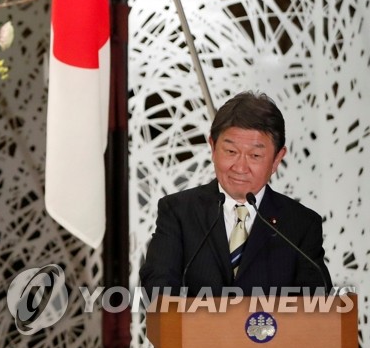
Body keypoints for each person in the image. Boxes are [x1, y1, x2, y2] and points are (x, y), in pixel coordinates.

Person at [140, 91, 331, 294]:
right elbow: (157, 290)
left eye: (255, 155)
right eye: (231, 152)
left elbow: (316, 304)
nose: (240, 167)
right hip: (195, 326)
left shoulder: (301, 225)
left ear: (277, 159)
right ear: (213, 147)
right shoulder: (178, 212)